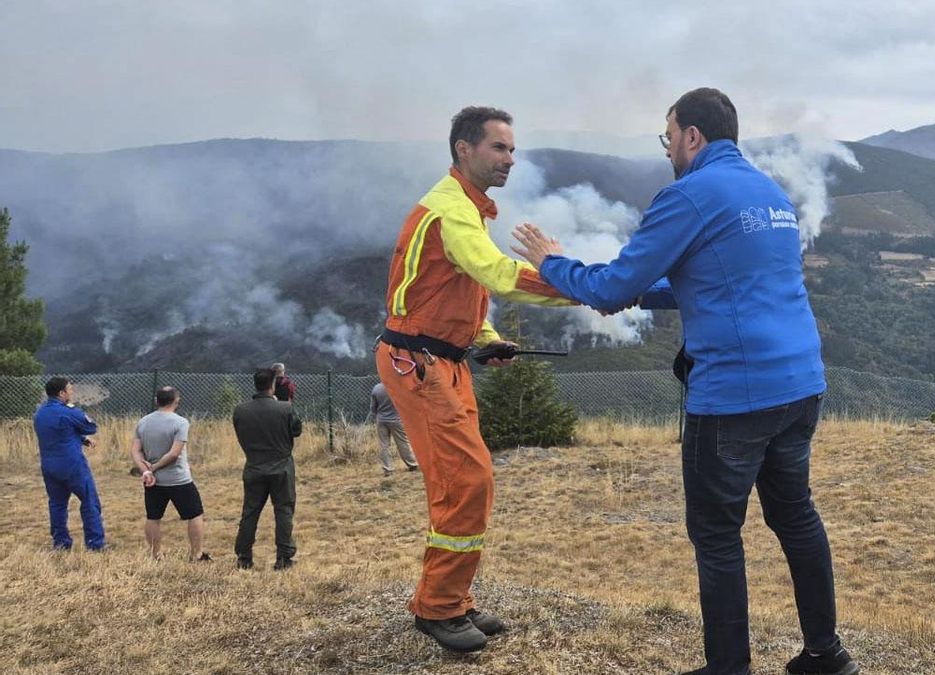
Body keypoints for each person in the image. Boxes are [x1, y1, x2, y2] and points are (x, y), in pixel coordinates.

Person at [512, 88, 858, 675]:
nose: (668, 148)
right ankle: (827, 655)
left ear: (692, 136)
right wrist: (641, 292)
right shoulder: (769, 193)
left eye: (668, 136)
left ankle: (729, 668)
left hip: (733, 396)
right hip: (801, 384)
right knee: (795, 516)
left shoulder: (689, 195)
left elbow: (611, 287)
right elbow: (723, 281)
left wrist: (552, 262)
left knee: (718, 535)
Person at [374, 105, 575, 653]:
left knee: (468, 480)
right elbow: (497, 273)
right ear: (465, 149)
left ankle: (454, 599)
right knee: (467, 479)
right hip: (418, 363)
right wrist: (573, 282)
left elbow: (458, 292)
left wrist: (483, 340)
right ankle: (438, 608)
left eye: (512, 149)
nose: (510, 159)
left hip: (443, 360)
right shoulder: (451, 211)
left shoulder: (465, 207)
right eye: (499, 148)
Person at [232, 368, 303, 570]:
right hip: (281, 466)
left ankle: (244, 557)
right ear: (272, 385)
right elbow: (297, 430)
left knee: (250, 512)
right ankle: (283, 557)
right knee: (283, 511)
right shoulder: (285, 409)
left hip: (254, 465)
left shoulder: (240, 410)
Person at [131, 386, 210, 561]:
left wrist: (146, 471)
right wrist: (155, 467)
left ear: (156, 401)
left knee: (153, 517)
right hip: (178, 479)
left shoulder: (143, 422)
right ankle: (196, 554)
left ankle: (155, 555)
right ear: (176, 401)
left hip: (153, 481)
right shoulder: (180, 422)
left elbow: (136, 451)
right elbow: (174, 454)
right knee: (195, 514)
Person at [32, 376, 105, 551]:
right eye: (70, 389)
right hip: (72, 466)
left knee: (57, 504)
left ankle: (61, 543)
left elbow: (60, 433)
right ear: (61, 393)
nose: (72, 392)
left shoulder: (39, 414)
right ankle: (95, 544)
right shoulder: (68, 411)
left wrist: (83, 440)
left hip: (49, 466)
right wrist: (81, 423)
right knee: (89, 502)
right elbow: (91, 427)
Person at [367, 381, 417, 475]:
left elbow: (373, 407)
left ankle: (388, 469)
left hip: (381, 420)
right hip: (396, 419)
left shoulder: (377, 388)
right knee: (402, 442)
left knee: (384, 445)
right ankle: (412, 463)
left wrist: (374, 417)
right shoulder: (397, 387)